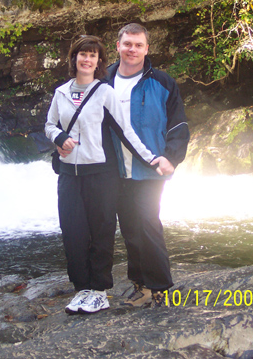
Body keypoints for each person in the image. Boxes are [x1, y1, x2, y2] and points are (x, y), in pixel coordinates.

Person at [45, 35, 170, 315]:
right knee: (73, 233)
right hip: (69, 175)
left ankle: (99, 291)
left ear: (99, 62)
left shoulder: (105, 93)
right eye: (82, 54)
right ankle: (82, 289)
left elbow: (126, 132)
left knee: (101, 231)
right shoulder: (61, 92)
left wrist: (152, 159)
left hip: (101, 174)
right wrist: (59, 136)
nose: (87, 59)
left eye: (93, 55)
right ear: (74, 58)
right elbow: (50, 124)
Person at [105, 23, 190, 308]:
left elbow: (178, 124)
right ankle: (139, 286)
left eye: (138, 45)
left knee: (148, 223)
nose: (132, 49)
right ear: (117, 45)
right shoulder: (101, 81)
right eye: (127, 43)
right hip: (113, 170)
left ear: (146, 49)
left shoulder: (163, 82)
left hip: (149, 169)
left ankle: (160, 288)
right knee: (129, 228)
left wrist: (171, 156)